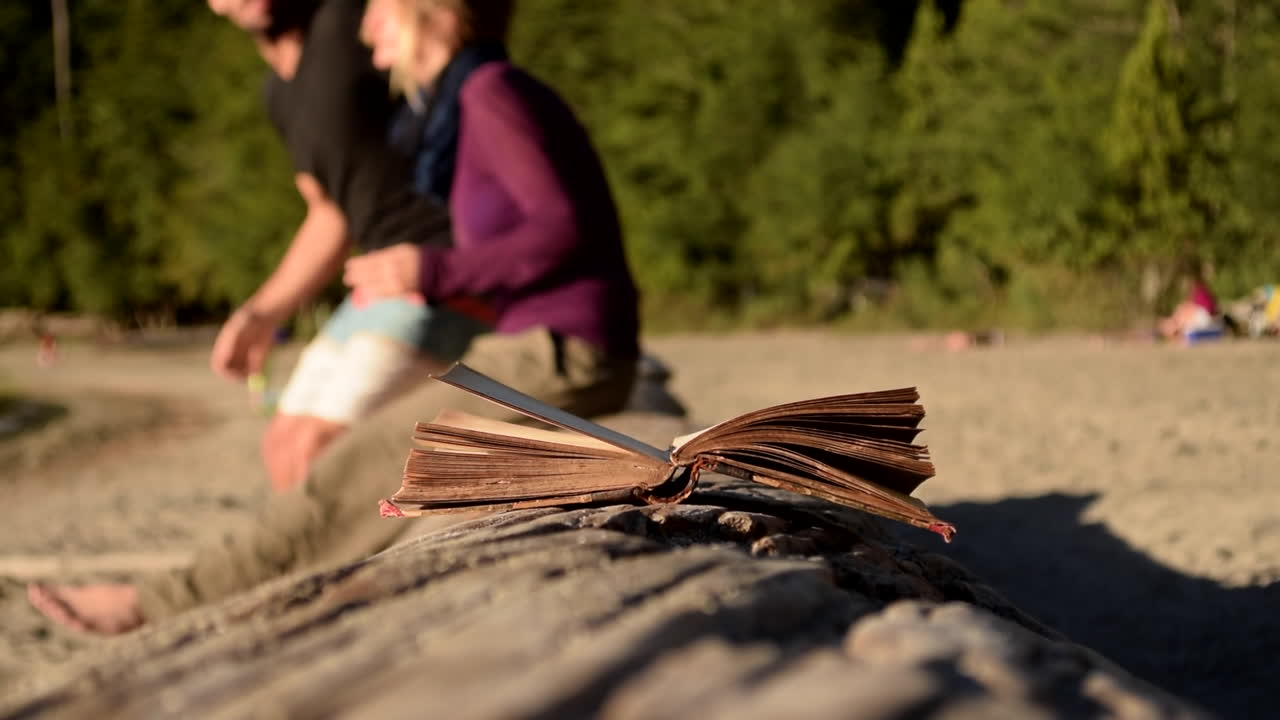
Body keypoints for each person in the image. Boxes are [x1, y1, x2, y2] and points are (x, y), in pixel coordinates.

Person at [28, 0, 640, 634]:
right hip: (551, 347)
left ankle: (160, 605)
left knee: (356, 464)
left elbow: (563, 231)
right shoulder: (479, 96)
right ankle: (275, 600)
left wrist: (428, 273)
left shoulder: (491, 92)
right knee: (337, 460)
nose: (366, 26)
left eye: (377, 9)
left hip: (564, 353)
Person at [203, 0, 485, 494]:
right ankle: (323, 568)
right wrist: (261, 314)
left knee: (318, 447)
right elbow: (329, 215)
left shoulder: (342, 22)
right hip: (374, 279)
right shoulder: (278, 95)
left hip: (438, 266)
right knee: (282, 443)